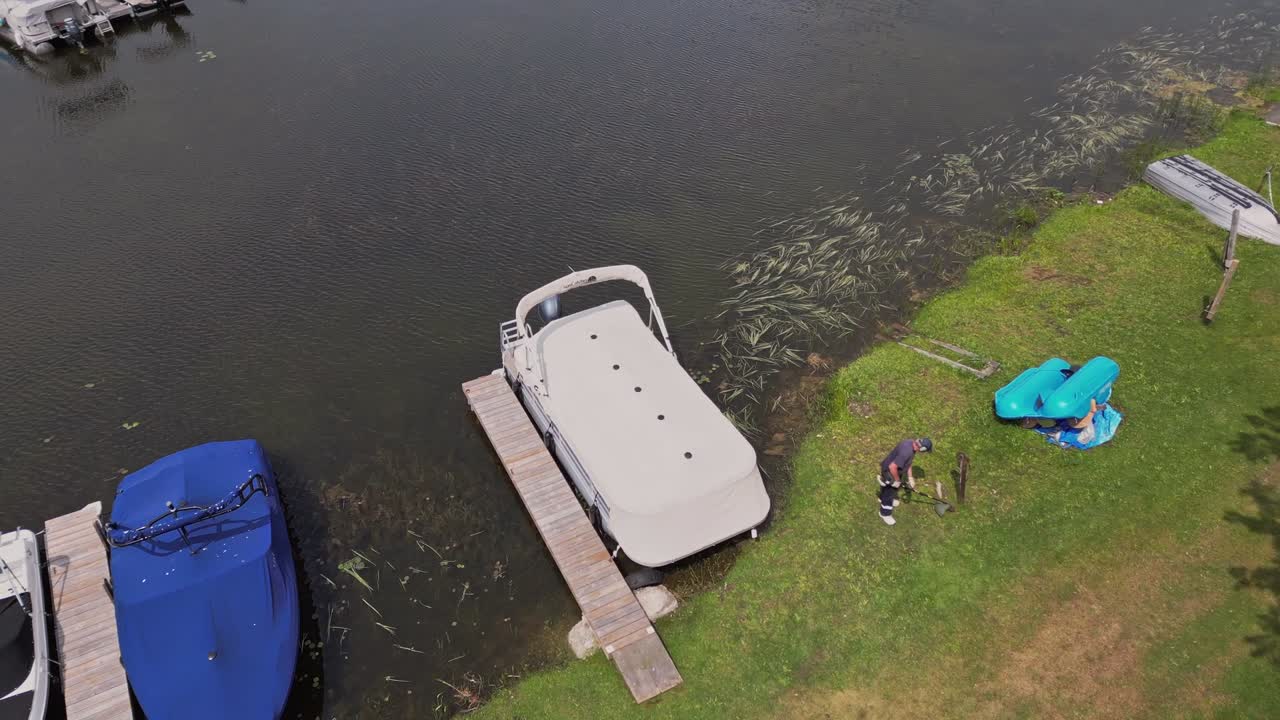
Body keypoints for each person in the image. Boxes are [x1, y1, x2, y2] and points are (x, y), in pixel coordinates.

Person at [878, 437, 933, 526]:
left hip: (892, 469)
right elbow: (892, 467)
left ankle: (882, 498)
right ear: (922, 449)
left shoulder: (911, 443)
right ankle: (885, 513)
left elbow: (908, 462)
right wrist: (897, 480)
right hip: (890, 471)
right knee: (890, 492)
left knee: (888, 488)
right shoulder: (906, 452)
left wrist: (910, 477)